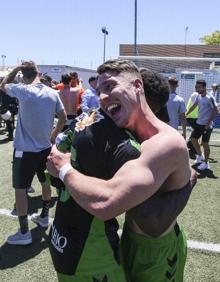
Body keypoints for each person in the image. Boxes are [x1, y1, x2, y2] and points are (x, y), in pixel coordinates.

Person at [47, 60, 195, 282]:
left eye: (110, 87)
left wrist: (64, 168)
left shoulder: (165, 143)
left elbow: (111, 205)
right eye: (99, 91)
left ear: (137, 86)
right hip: (129, 238)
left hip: (158, 250)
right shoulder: (125, 132)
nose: (103, 97)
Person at [0, 61, 67, 245]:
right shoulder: (53, 93)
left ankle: (24, 233)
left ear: (24, 74)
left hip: (25, 151)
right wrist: (53, 136)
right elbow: (63, 117)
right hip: (45, 148)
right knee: (44, 182)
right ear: (38, 72)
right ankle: (44, 216)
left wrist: (15, 69)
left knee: (20, 189)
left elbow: (3, 86)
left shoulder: (24, 90)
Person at [186, 79, 219, 170]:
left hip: (207, 126)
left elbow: (216, 111)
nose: (197, 89)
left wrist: (208, 123)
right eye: (196, 87)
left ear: (204, 87)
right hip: (199, 123)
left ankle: (206, 163)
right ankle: (200, 156)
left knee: (205, 143)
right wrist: (187, 113)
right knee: (193, 139)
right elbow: (195, 104)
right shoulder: (198, 96)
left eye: (199, 87)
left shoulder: (210, 97)